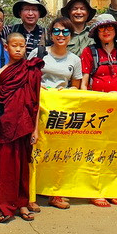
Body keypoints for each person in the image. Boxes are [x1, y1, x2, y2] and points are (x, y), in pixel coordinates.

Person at [0, 33, 43, 223]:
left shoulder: (31, 70)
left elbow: (36, 102)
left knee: (21, 166)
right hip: (3, 126)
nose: (18, 49)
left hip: (24, 125)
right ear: (6, 47)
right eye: (14, 45)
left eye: (22, 46)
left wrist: (34, 129)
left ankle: (21, 203)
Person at [80, 13, 117, 207]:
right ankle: (96, 190)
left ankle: (113, 189)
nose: (106, 31)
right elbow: (84, 83)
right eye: (102, 28)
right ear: (97, 32)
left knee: (115, 149)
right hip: (96, 109)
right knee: (96, 149)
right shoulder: (89, 52)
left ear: (115, 31)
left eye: (109, 27)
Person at [31, 16, 81, 210]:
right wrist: (39, 87)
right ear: (51, 34)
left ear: (71, 35)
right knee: (34, 150)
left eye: (65, 32)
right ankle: (31, 193)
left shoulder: (74, 59)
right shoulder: (39, 53)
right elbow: (26, 76)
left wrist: (67, 91)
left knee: (57, 152)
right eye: (57, 31)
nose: (61, 35)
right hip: (37, 108)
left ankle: (55, 192)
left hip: (60, 112)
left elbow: (76, 87)